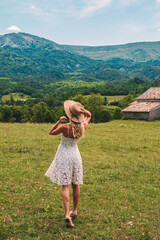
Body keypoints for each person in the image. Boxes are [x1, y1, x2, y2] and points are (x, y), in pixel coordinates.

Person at [45, 100, 91, 227]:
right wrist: (83, 111)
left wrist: (59, 121)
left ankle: (67, 214)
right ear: (79, 116)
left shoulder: (65, 127)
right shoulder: (83, 126)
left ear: (70, 115)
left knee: (65, 186)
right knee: (75, 184)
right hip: (75, 156)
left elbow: (51, 132)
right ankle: (74, 211)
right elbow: (89, 115)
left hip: (64, 156)